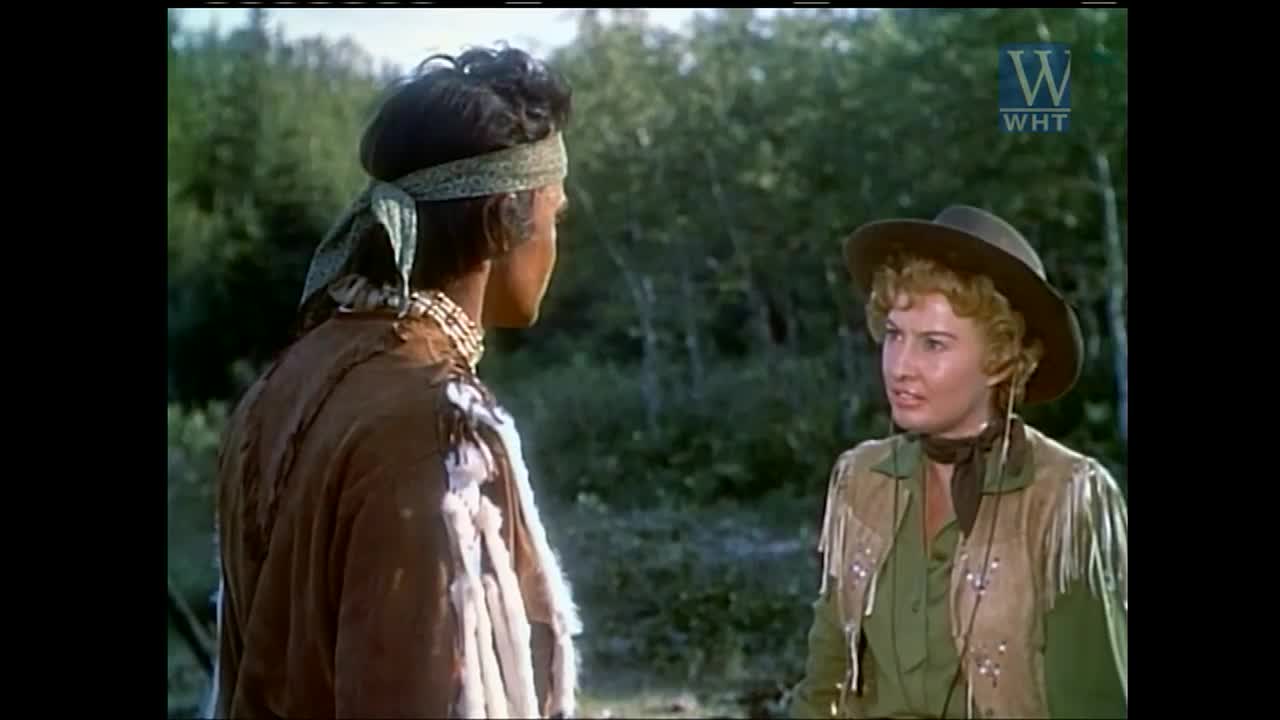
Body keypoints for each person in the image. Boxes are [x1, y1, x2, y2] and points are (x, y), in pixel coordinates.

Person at [203, 46, 582, 719]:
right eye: (554, 215)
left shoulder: (286, 377)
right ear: (504, 219)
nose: (557, 239)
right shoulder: (434, 424)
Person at [788, 206, 1127, 719]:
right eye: (895, 335)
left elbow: (1094, 705)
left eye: (933, 344)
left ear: (1000, 360)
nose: (900, 367)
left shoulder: (1065, 498)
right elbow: (823, 685)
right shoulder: (860, 480)